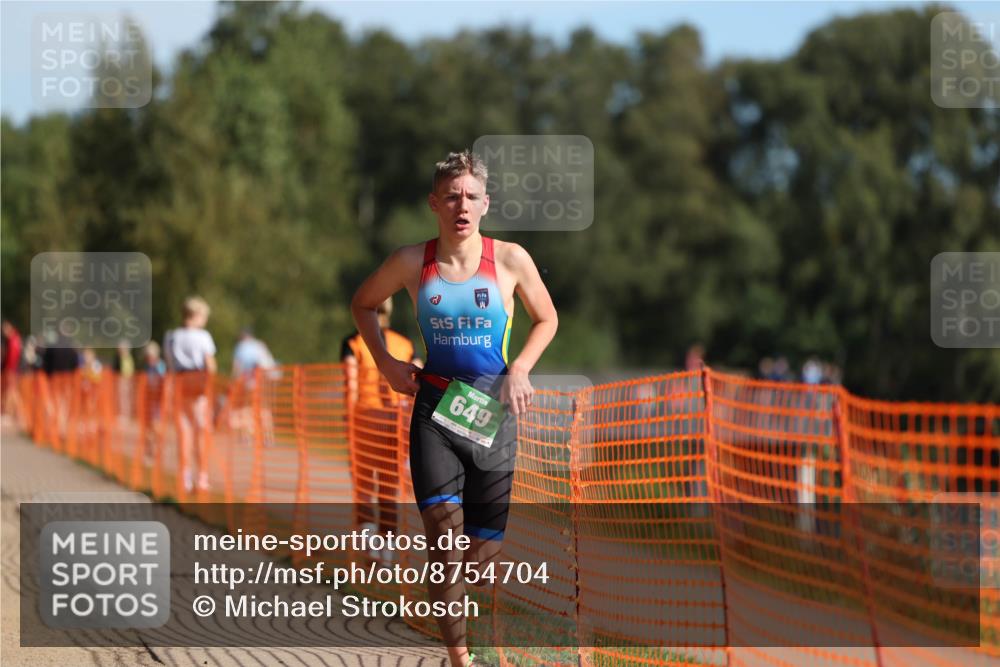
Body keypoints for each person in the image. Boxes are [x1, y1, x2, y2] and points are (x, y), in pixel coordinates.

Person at [350, 150, 558, 667]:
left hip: (492, 414)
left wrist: (520, 369)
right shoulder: (410, 262)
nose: (461, 206)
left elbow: (547, 319)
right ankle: (458, 658)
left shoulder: (510, 260)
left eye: (470, 197)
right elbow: (362, 303)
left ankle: (451, 598)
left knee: (482, 563)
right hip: (435, 410)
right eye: (451, 197)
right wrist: (385, 364)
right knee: (444, 540)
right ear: (434, 204)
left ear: (485, 203)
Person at [340, 296, 420, 549]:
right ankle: (386, 555)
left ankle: (367, 548)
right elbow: (418, 379)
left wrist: (347, 420)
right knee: (389, 487)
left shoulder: (353, 343)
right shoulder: (405, 344)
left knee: (364, 485)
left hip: (365, 420)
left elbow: (350, 385)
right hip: (396, 423)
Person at [165, 296, 217, 493]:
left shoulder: (172, 337)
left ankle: (185, 477)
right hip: (198, 384)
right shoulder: (203, 337)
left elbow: (170, 365)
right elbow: (210, 364)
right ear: (196, 315)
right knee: (200, 433)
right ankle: (201, 477)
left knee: (184, 432)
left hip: (179, 384)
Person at [1, 320, 22, 416]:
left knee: (11, 390)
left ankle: (14, 410)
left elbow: (12, 357)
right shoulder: (14, 339)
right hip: (12, 369)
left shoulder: (13, 340)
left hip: (11, 369)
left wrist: (9, 369)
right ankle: (11, 410)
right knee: (11, 390)